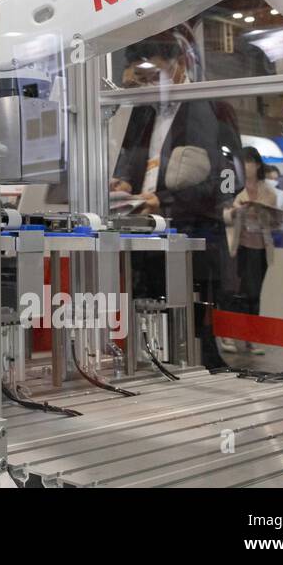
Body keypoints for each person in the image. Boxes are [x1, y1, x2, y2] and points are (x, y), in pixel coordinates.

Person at [109, 29, 233, 368]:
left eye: (154, 76)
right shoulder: (144, 112)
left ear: (179, 65)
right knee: (147, 320)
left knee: (193, 331)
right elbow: (130, 160)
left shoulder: (206, 107)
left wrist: (161, 200)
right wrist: (122, 183)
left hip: (190, 233)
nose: (149, 86)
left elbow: (216, 182)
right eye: (142, 79)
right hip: (144, 232)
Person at [224, 147, 283, 355]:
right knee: (235, 293)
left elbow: (277, 222)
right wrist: (236, 211)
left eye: (249, 162)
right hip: (239, 247)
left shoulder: (268, 192)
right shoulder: (233, 188)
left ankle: (252, 337)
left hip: (260, 249)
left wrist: (265, 213)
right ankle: (229, 335)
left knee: (254, 294)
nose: (246, 166)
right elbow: (225, 215)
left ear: (257, 164)